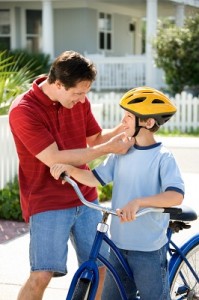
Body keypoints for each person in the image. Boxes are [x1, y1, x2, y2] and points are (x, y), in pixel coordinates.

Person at [8, 50, 134, 300]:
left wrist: (121, 128)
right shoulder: (24, 111)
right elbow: (55, 158)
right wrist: (107, 148)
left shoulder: (79, 101)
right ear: (57, 84)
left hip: (84, 196)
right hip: (47, 201)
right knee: (42, 274)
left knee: (101, 268)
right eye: (78, 93)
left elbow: (94, 140)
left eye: (85, 93)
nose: (82, 99)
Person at [50, 86, 185, 300]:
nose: (123, 122)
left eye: (129, 117)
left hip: (148, 249)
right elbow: (95, 178)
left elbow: (175, 195)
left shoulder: (162, 157)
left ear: (148, 123)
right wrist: (70, 170)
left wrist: (139, 202)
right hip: (119, 246)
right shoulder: (121, 153)